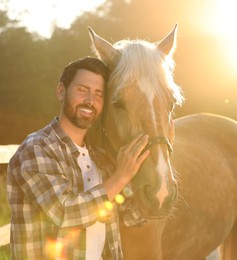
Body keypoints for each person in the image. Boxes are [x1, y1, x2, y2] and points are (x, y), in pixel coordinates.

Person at [7, 57, 150, 259]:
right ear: (61, 91)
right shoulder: (36, 148)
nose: (90, 101)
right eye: (82, 90)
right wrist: (120, 177)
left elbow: (132, 217)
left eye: (99, 94)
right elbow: (64, 213)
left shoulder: (99, 158)